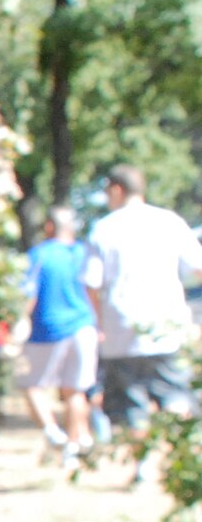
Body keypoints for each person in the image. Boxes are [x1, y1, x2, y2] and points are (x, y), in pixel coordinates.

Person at [84, 165, 202, 450]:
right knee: (174, 395)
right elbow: (198, 268)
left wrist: (99, 325)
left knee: (129, 404)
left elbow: (91, 284)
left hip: (120, 332)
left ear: (116, 190)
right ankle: (178, 455)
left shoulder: (104, 228)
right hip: (167, 328)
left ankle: (144, 464)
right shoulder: (169, 222)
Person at [17, 205, 99, 463]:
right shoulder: (84, 254)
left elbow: (28, 294)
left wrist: (19, 321)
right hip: (84, 328)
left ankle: (53, 432)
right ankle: (73, 450)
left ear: (49, 227)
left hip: (48, 330)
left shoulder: (39, 255)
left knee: (31, 385)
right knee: (75, 391)